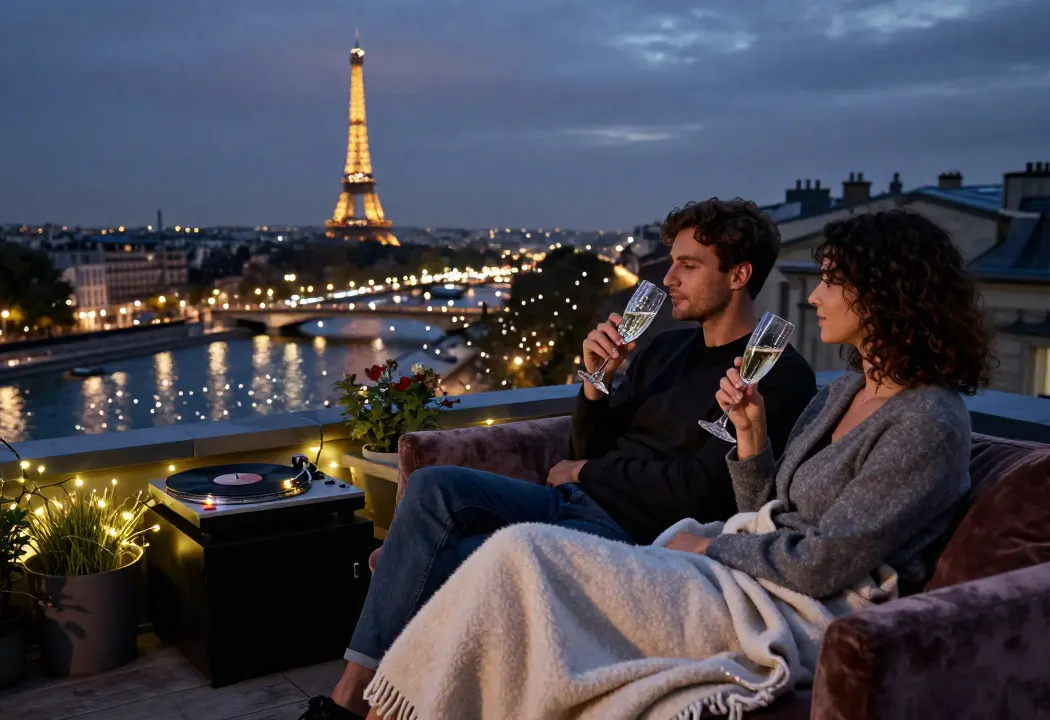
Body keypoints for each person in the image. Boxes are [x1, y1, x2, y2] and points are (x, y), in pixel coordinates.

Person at [357, 209, 993, 720]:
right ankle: (376, 696)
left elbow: (821, 557)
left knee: (506, 555)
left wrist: (705, 545)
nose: (817, 294)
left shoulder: (923, 421)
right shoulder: (842, 393)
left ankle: (391, 702)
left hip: (754, 580)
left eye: (831, 279)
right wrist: (737, 438)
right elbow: (764, 508)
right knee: (454, 515)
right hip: (722, 553)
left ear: (884, 293)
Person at [299, 198, 817, 720]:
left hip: (634, 536)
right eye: (671, 262)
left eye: (688, 265)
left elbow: (698, 490)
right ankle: (358, 691)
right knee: (433, 486)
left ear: (739, 275)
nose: (668, 279)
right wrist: (595, 383)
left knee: (450, 558)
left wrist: (588, 472)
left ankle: (367, 706)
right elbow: (584, 450)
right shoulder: (663, 350)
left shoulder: (775, 375)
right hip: (569, 501)